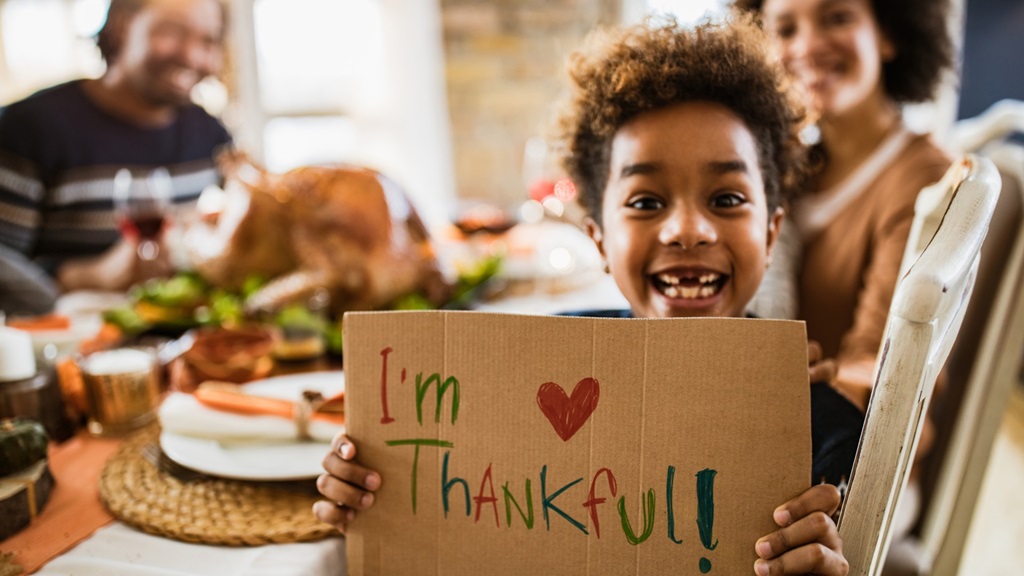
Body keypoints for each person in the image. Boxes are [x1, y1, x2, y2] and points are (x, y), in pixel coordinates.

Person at [315, 17, 863, 576]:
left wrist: (826, 558)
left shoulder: (825, 434)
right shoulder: (534, 367)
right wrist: (372, 481)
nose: (687, 230)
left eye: (726, 198)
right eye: (647, 203)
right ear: (598, 240)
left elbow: (843, 544)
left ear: (770, 233)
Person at [734, 0, 955, 409]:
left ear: (887, 34)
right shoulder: (789, 168)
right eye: (785, 30)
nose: (808, 46)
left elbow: (882, 365)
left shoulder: (927, 183)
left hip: (841, 450)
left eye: (837, 18)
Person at [0, 0, 231, 308]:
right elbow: (5, 269)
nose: (192, 56)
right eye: (173, 32)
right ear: (123, 27)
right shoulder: (27, 130)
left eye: (208, 41)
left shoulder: (212, 135)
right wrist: (93, 275)